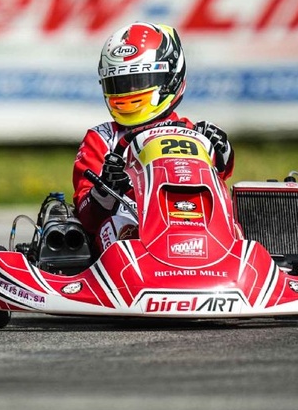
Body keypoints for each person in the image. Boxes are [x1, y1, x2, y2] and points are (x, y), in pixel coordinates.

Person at [72, 22, 234, 253]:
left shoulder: (196, 133)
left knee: (239, 220)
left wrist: (223, 150)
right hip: (134, 233)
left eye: (138, 82)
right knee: (115, 225)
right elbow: (87, 217)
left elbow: (220, 175)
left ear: (170, 78)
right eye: (120, 84)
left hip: (199, 223)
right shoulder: (102, 138)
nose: (129, 92)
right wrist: (106, 190)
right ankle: (135, 275)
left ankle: (234, 264)